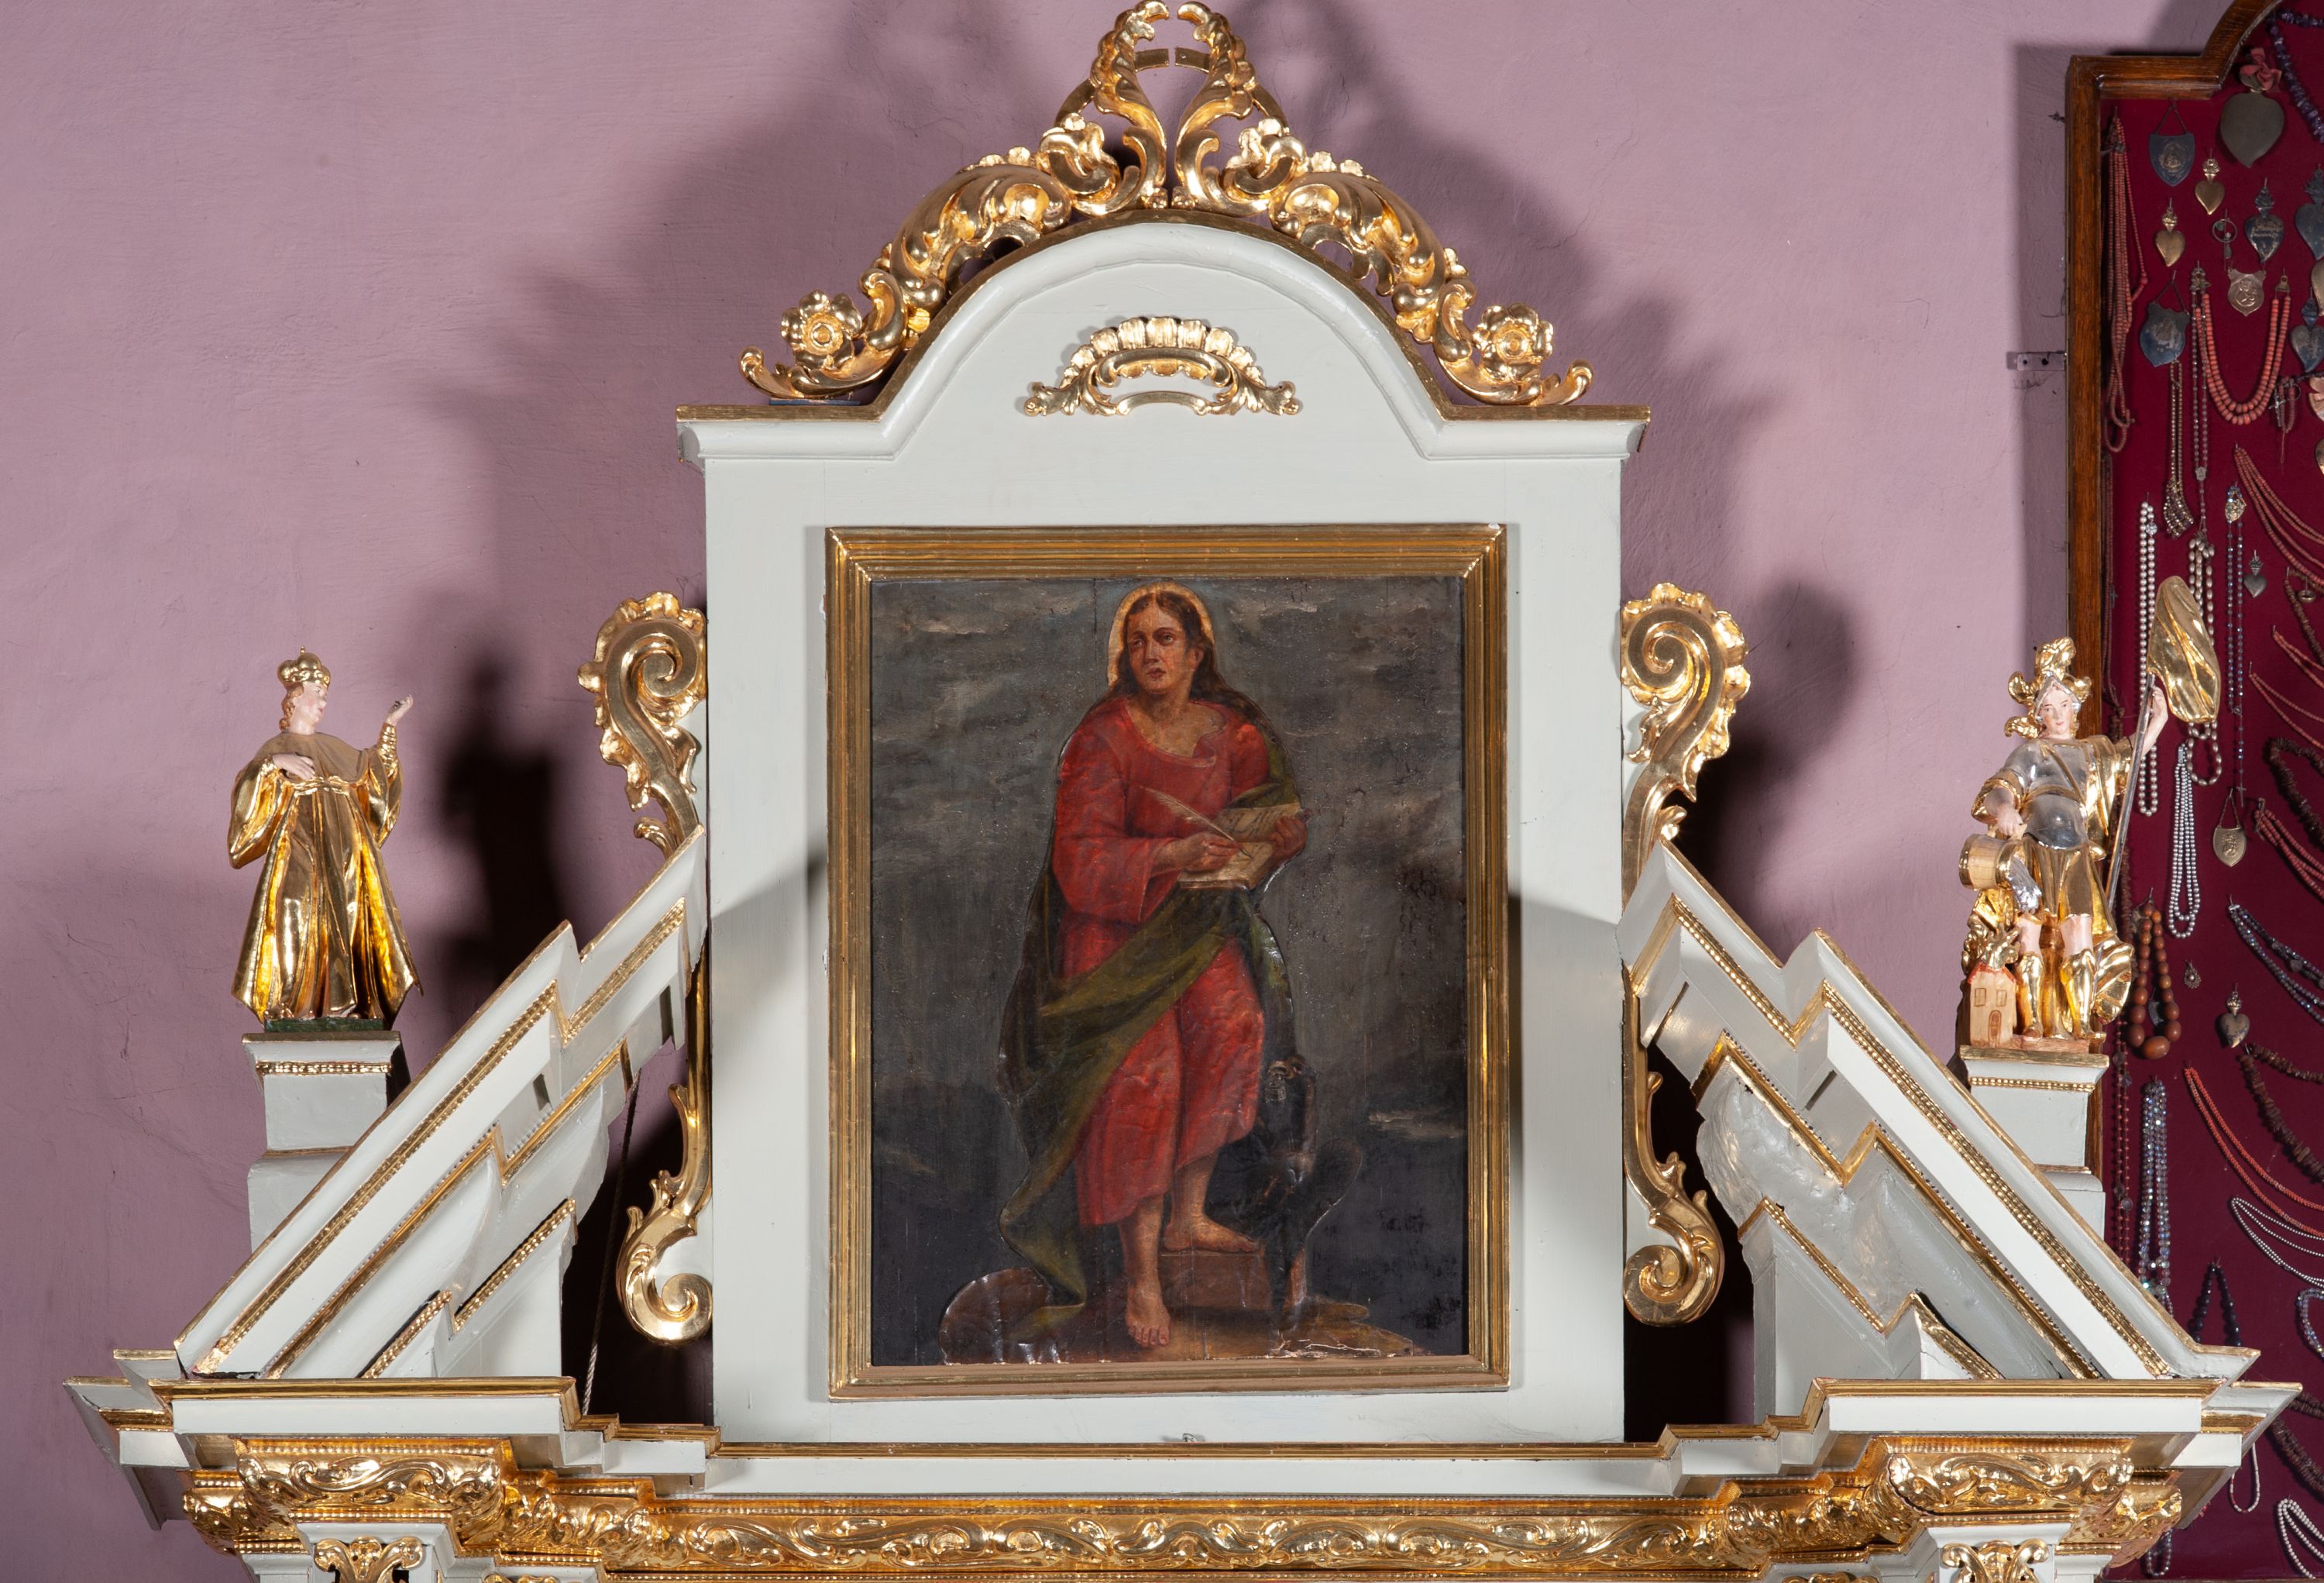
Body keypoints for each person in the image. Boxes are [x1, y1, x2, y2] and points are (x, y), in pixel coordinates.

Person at [998, 583, 1305, 1349]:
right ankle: (1142, 1275)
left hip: (1196, 923)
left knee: (1233, 1025)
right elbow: (1080, 863)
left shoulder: (1233, 734)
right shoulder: (1101, 739)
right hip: (1114, 942)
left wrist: (1274, 840)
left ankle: (1187, 1218)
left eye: (1166, 639)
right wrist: (1172, 853)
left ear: (1196, 653)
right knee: (1147, 1074)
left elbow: (1269, 818)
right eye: (1137, 641)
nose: (1151, 653)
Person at [1968, 638, 2164, 1042]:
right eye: (2049, 708)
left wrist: (2157, 722)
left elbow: (2128, 758)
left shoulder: (2092, 754)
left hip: (2075, 855)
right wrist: (2005, 809)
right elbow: (2000, 789)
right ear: (2038, 714)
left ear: (2075, 708)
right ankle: (2033, 1021)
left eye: (2064, 705)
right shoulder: (2032, 754)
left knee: (2080, 934)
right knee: (2029, 932)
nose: (2057, 715)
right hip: (2035, 850)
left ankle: (2080, 1024)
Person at [229, 651, 419, 1025]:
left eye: (325, 696)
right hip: (298, 843)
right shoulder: (275, 748)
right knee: (294, 909)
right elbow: (248, 795)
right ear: (295, 696)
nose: (322, 703)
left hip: (345, 849)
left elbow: (374, 774)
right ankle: (292, 1006)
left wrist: (389, 727)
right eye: (316, 693)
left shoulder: (335, 747)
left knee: (347, 916)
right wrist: (274, 763)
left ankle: (346, 1004)